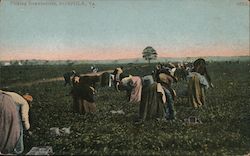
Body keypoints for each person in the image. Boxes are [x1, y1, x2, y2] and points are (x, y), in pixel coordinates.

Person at [0, 90, 32, 154]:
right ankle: (16, 149)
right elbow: (24, 117)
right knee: (17, 127)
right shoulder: (24, 102)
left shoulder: (15, 96)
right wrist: (27, 128)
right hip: (6, 103)